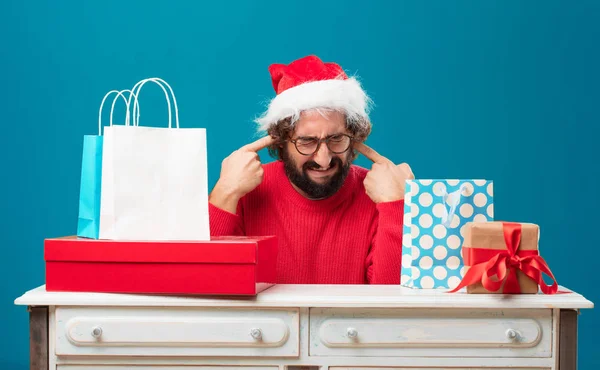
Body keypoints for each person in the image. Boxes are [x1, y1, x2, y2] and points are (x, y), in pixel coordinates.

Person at [208, 55, 414, 284]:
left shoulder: (382, 196)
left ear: (354, 138)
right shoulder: (245, 191)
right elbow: (210, 288)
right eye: (306, 141)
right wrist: (225, 192)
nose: (324, 159)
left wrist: (397, 206)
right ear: (281, 142)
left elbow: (393, 308)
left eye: (336, 138)